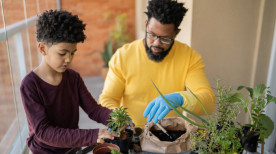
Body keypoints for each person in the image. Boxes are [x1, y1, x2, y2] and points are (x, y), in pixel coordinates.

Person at [99, 0, 216, 126]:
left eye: (165, 38)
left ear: (176, 33)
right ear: (146, 25)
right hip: (132, 133)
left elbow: (208, 103)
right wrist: (119, 119)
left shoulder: (189, 57)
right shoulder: (123, 56)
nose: (156, 43)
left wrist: (180, 99)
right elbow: (107, 99)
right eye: (152, 35)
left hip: (168, 139)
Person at [20, 10, 118, 154]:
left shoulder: (73, 78)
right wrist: (93, 135)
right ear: (42, 48)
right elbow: (44, 132)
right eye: (62, 53)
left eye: (72, 53)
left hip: (72, 148)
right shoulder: (30, 85)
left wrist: (115, 119)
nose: (69, 59)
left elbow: (94, 110)